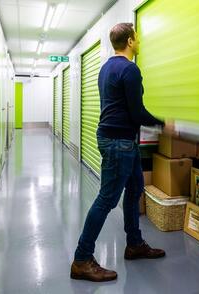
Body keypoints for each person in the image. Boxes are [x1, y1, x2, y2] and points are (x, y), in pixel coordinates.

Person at [70, 23, 172, 282]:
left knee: (136, 188)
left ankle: (134, 244)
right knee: (106, 199)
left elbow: (121, 108)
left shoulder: (106, 68)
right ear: (129, 41)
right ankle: (82, 259)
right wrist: (164, 124)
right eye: (137, 37)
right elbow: (137, 112)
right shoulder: (130, 69)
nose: (139, 41)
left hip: (121, 140)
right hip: (119, 143)